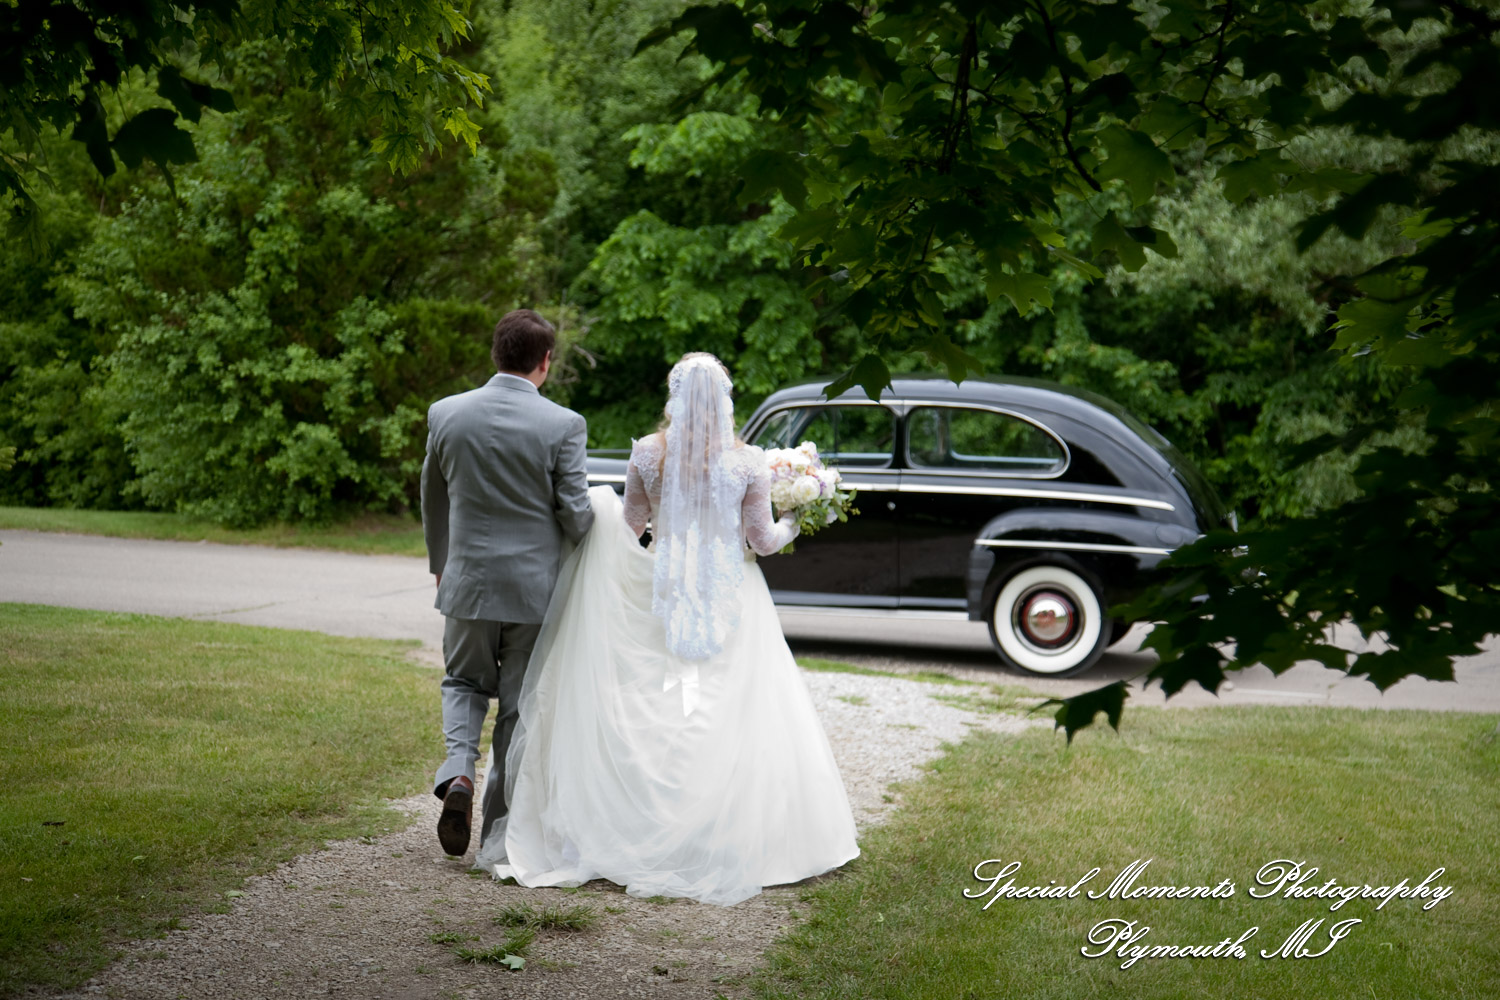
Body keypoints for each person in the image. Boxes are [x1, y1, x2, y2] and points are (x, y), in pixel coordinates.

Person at [476, 352, 860, 905]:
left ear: (674, 397)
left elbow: (630, 529)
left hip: (661, 592)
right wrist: (802, 513)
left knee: (653, 698)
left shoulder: (648, 453)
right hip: (733, 599)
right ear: (724, 403)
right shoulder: (747, 462)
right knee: (732, 705)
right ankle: (722, 831)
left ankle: (635, 824)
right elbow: (761, 542)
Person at [420, 308, 594, 857]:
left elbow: (433, 496)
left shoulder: (445, 413)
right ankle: (498, 832)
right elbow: (574, 513)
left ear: (496, 353)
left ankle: (458, 774)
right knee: (518, 707)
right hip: (532, 591)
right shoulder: (563, 424)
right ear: (545, 362)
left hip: (467, 582)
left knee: (463, 683)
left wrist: (441, 562)